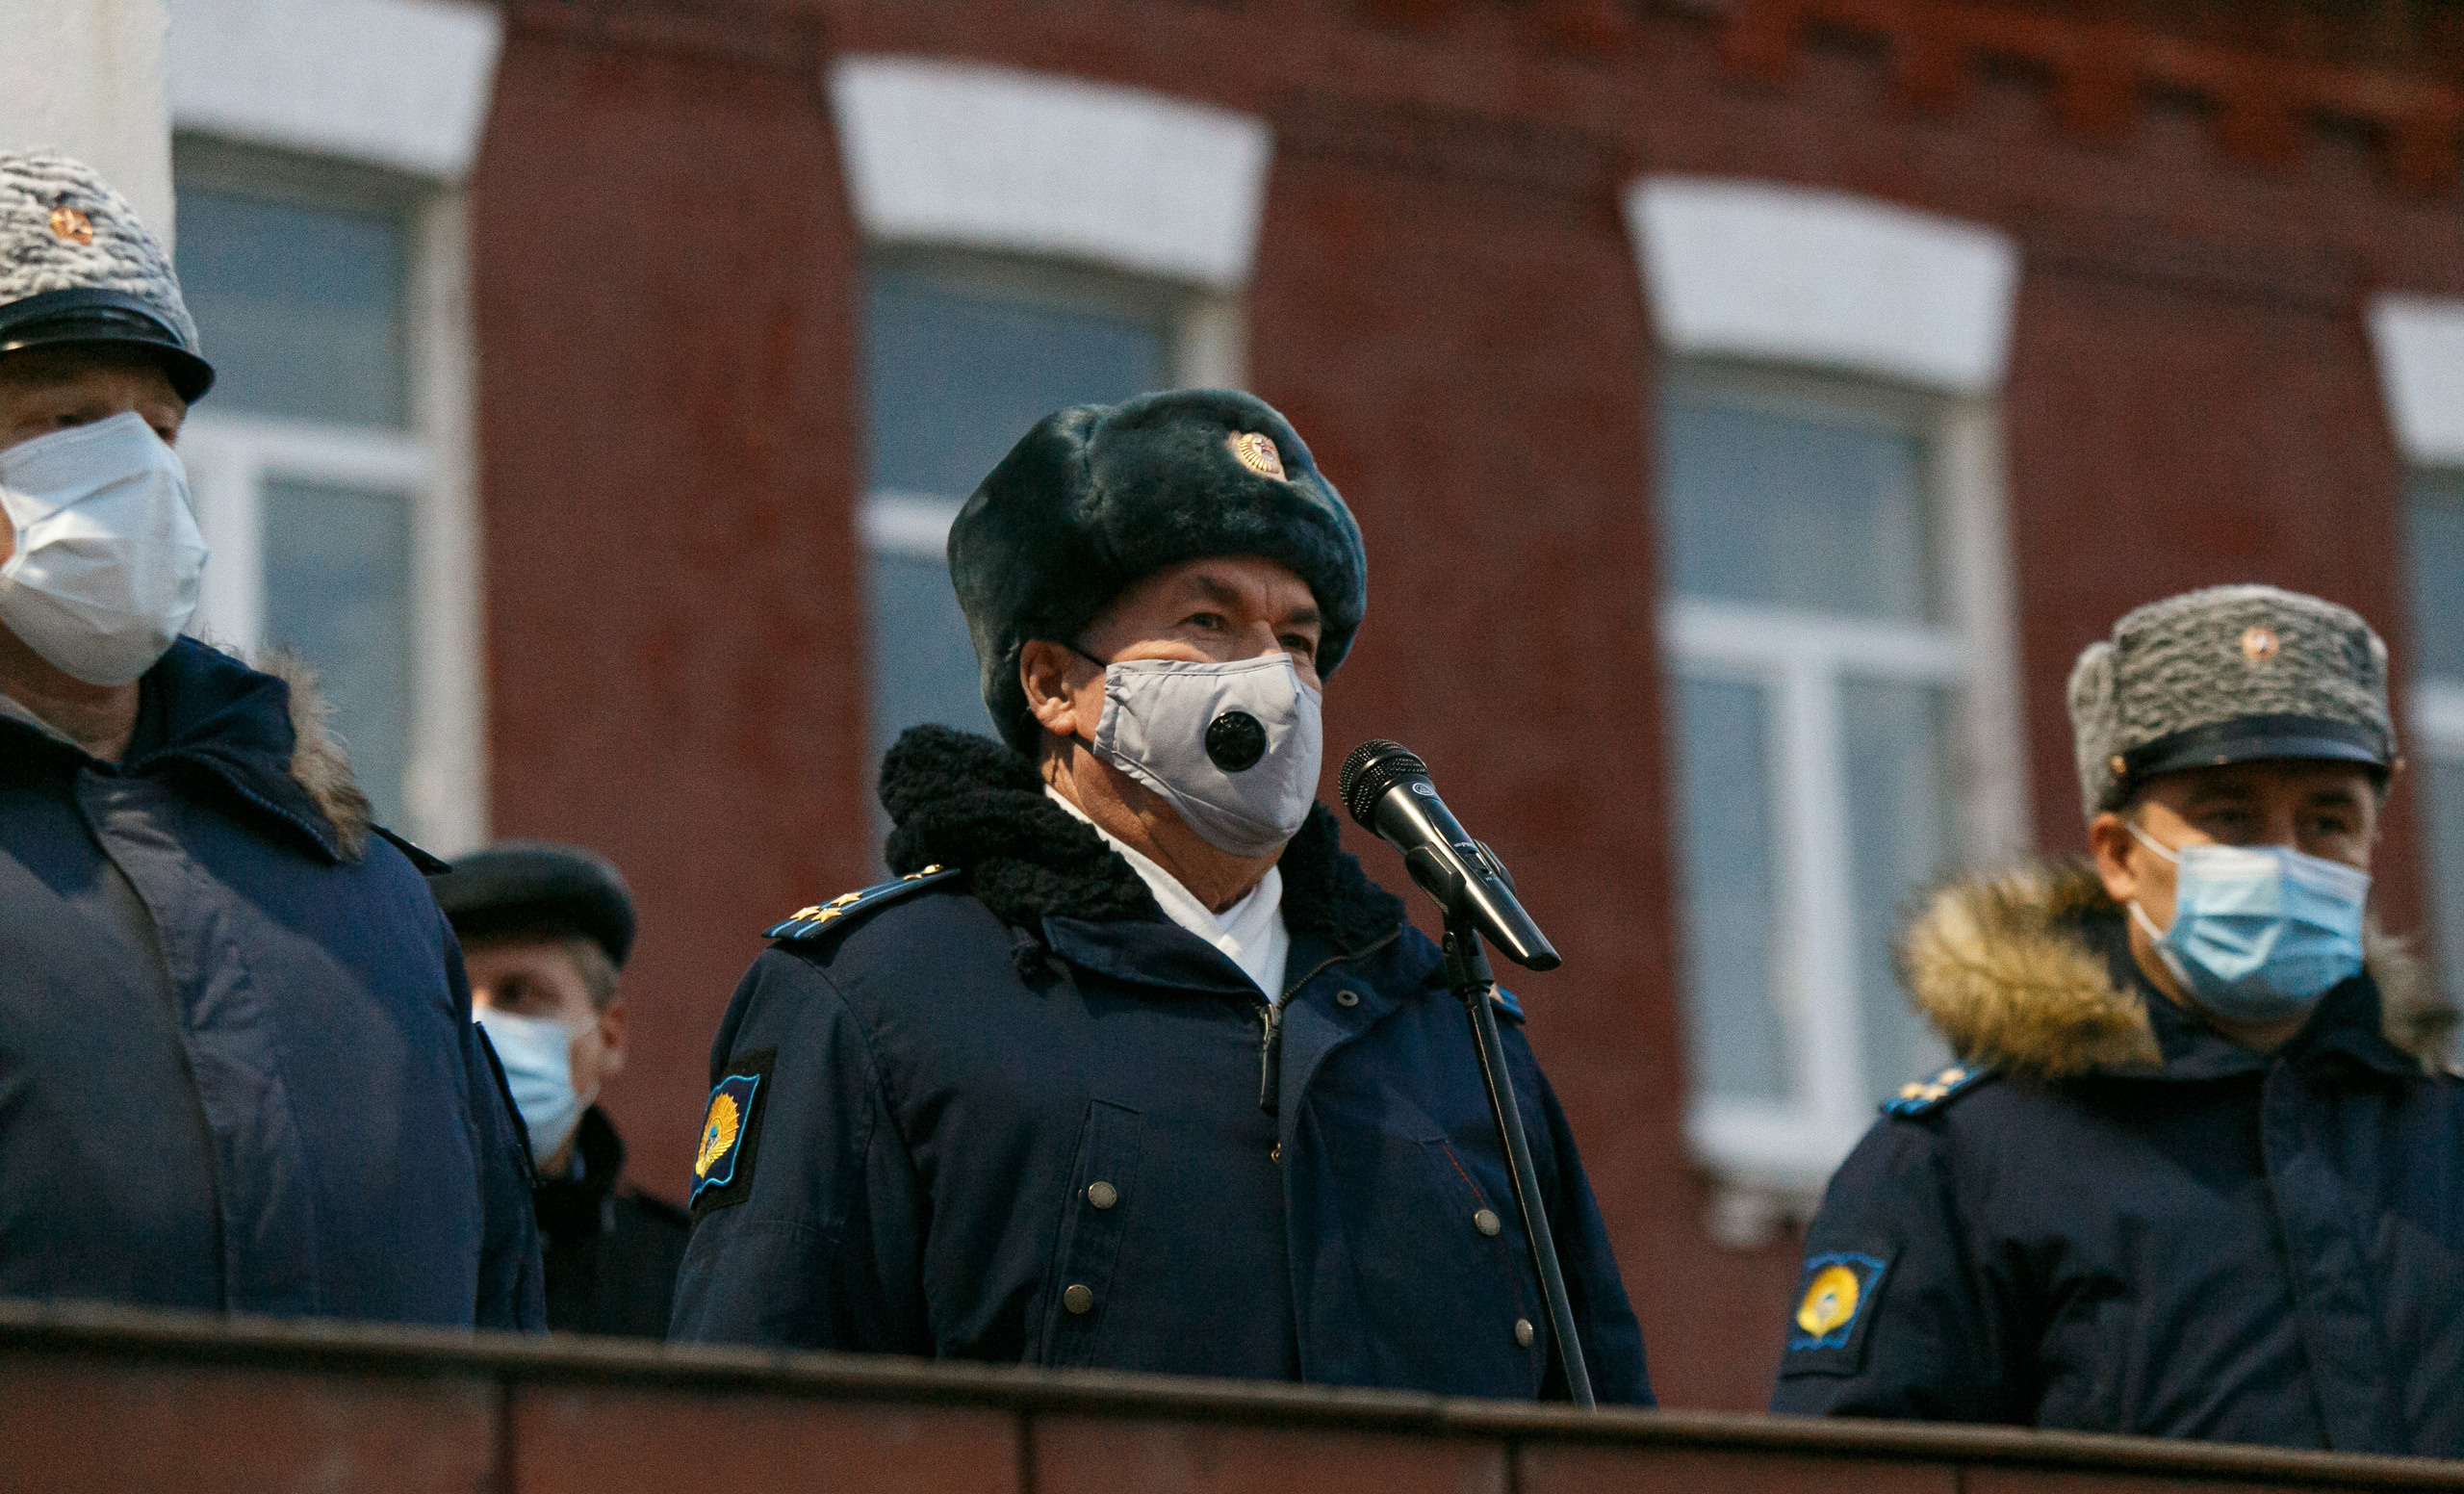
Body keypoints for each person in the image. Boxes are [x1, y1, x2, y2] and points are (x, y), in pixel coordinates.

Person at [670, 389, 1649, 1399]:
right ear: (1053, 682)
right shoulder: (880, 999)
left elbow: (1607, 1472)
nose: (1271, 678)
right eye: (1209, 621)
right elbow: (758, 1438)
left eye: (1299, 641)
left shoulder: (1451, 1030)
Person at [0, 150, 541, 1327]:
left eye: (160, 427)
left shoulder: (365, 895)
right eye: (69, 420)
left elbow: (506, 1334)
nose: (136, 473)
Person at [1773, 584, 2464, 1455]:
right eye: (2231, 818)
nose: (2287, 858)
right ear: (2120, 856)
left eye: (2329, 819)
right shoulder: (1960, 1166)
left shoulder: (2446, 1141)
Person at [435, 841, 690, 1337]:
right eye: (454, 997)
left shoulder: (682, 1281)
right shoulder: (373, 1258)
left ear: (610, 1034)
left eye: (519, 994)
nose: (479, 1028)